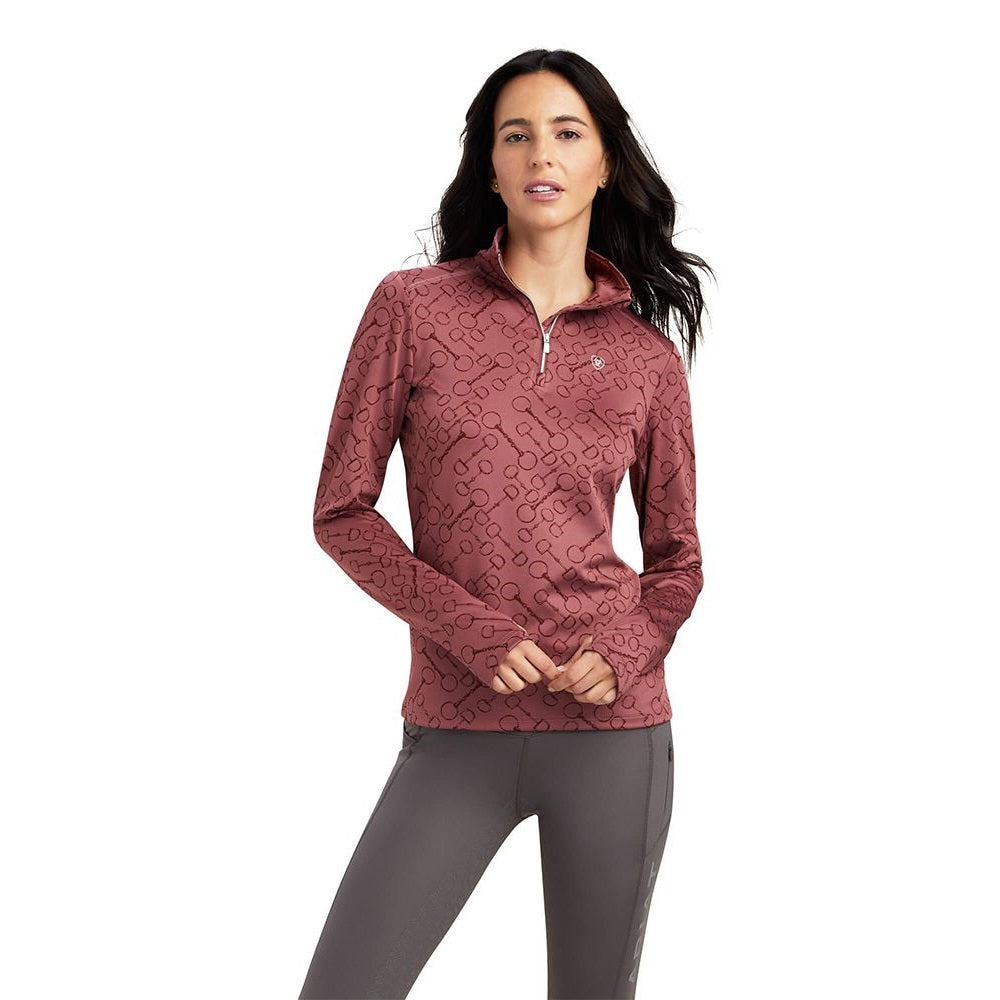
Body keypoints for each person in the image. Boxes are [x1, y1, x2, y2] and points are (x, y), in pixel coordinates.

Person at [298, 47, 712, 1000]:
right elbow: (342, 511)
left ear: (605, 162)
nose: (541, 153)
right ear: (489, 164)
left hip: (613, 732)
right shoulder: (412, 309)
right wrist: (473, 631)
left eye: (567, 133)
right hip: (456, 723)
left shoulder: (646, 359)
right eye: (515, 134)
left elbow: (678, 561)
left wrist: (626, 648)